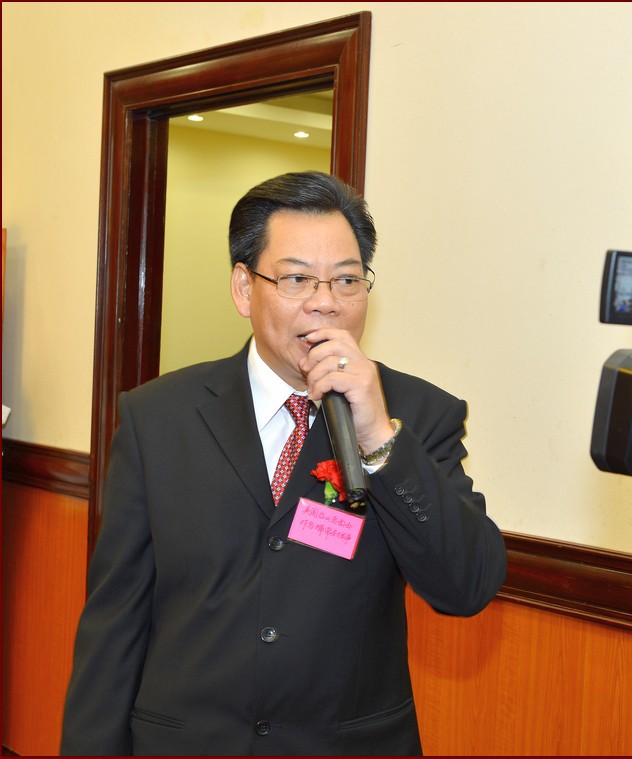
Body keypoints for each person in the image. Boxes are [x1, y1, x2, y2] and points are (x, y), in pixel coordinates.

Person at [61, 171, 508, 755]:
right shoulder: (158, 418)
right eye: (297, 278)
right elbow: (114, 622)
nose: (325, 302)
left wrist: (379, 438)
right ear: (244, 289)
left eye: (346, 280)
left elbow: (468, 585)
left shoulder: (417, 414)